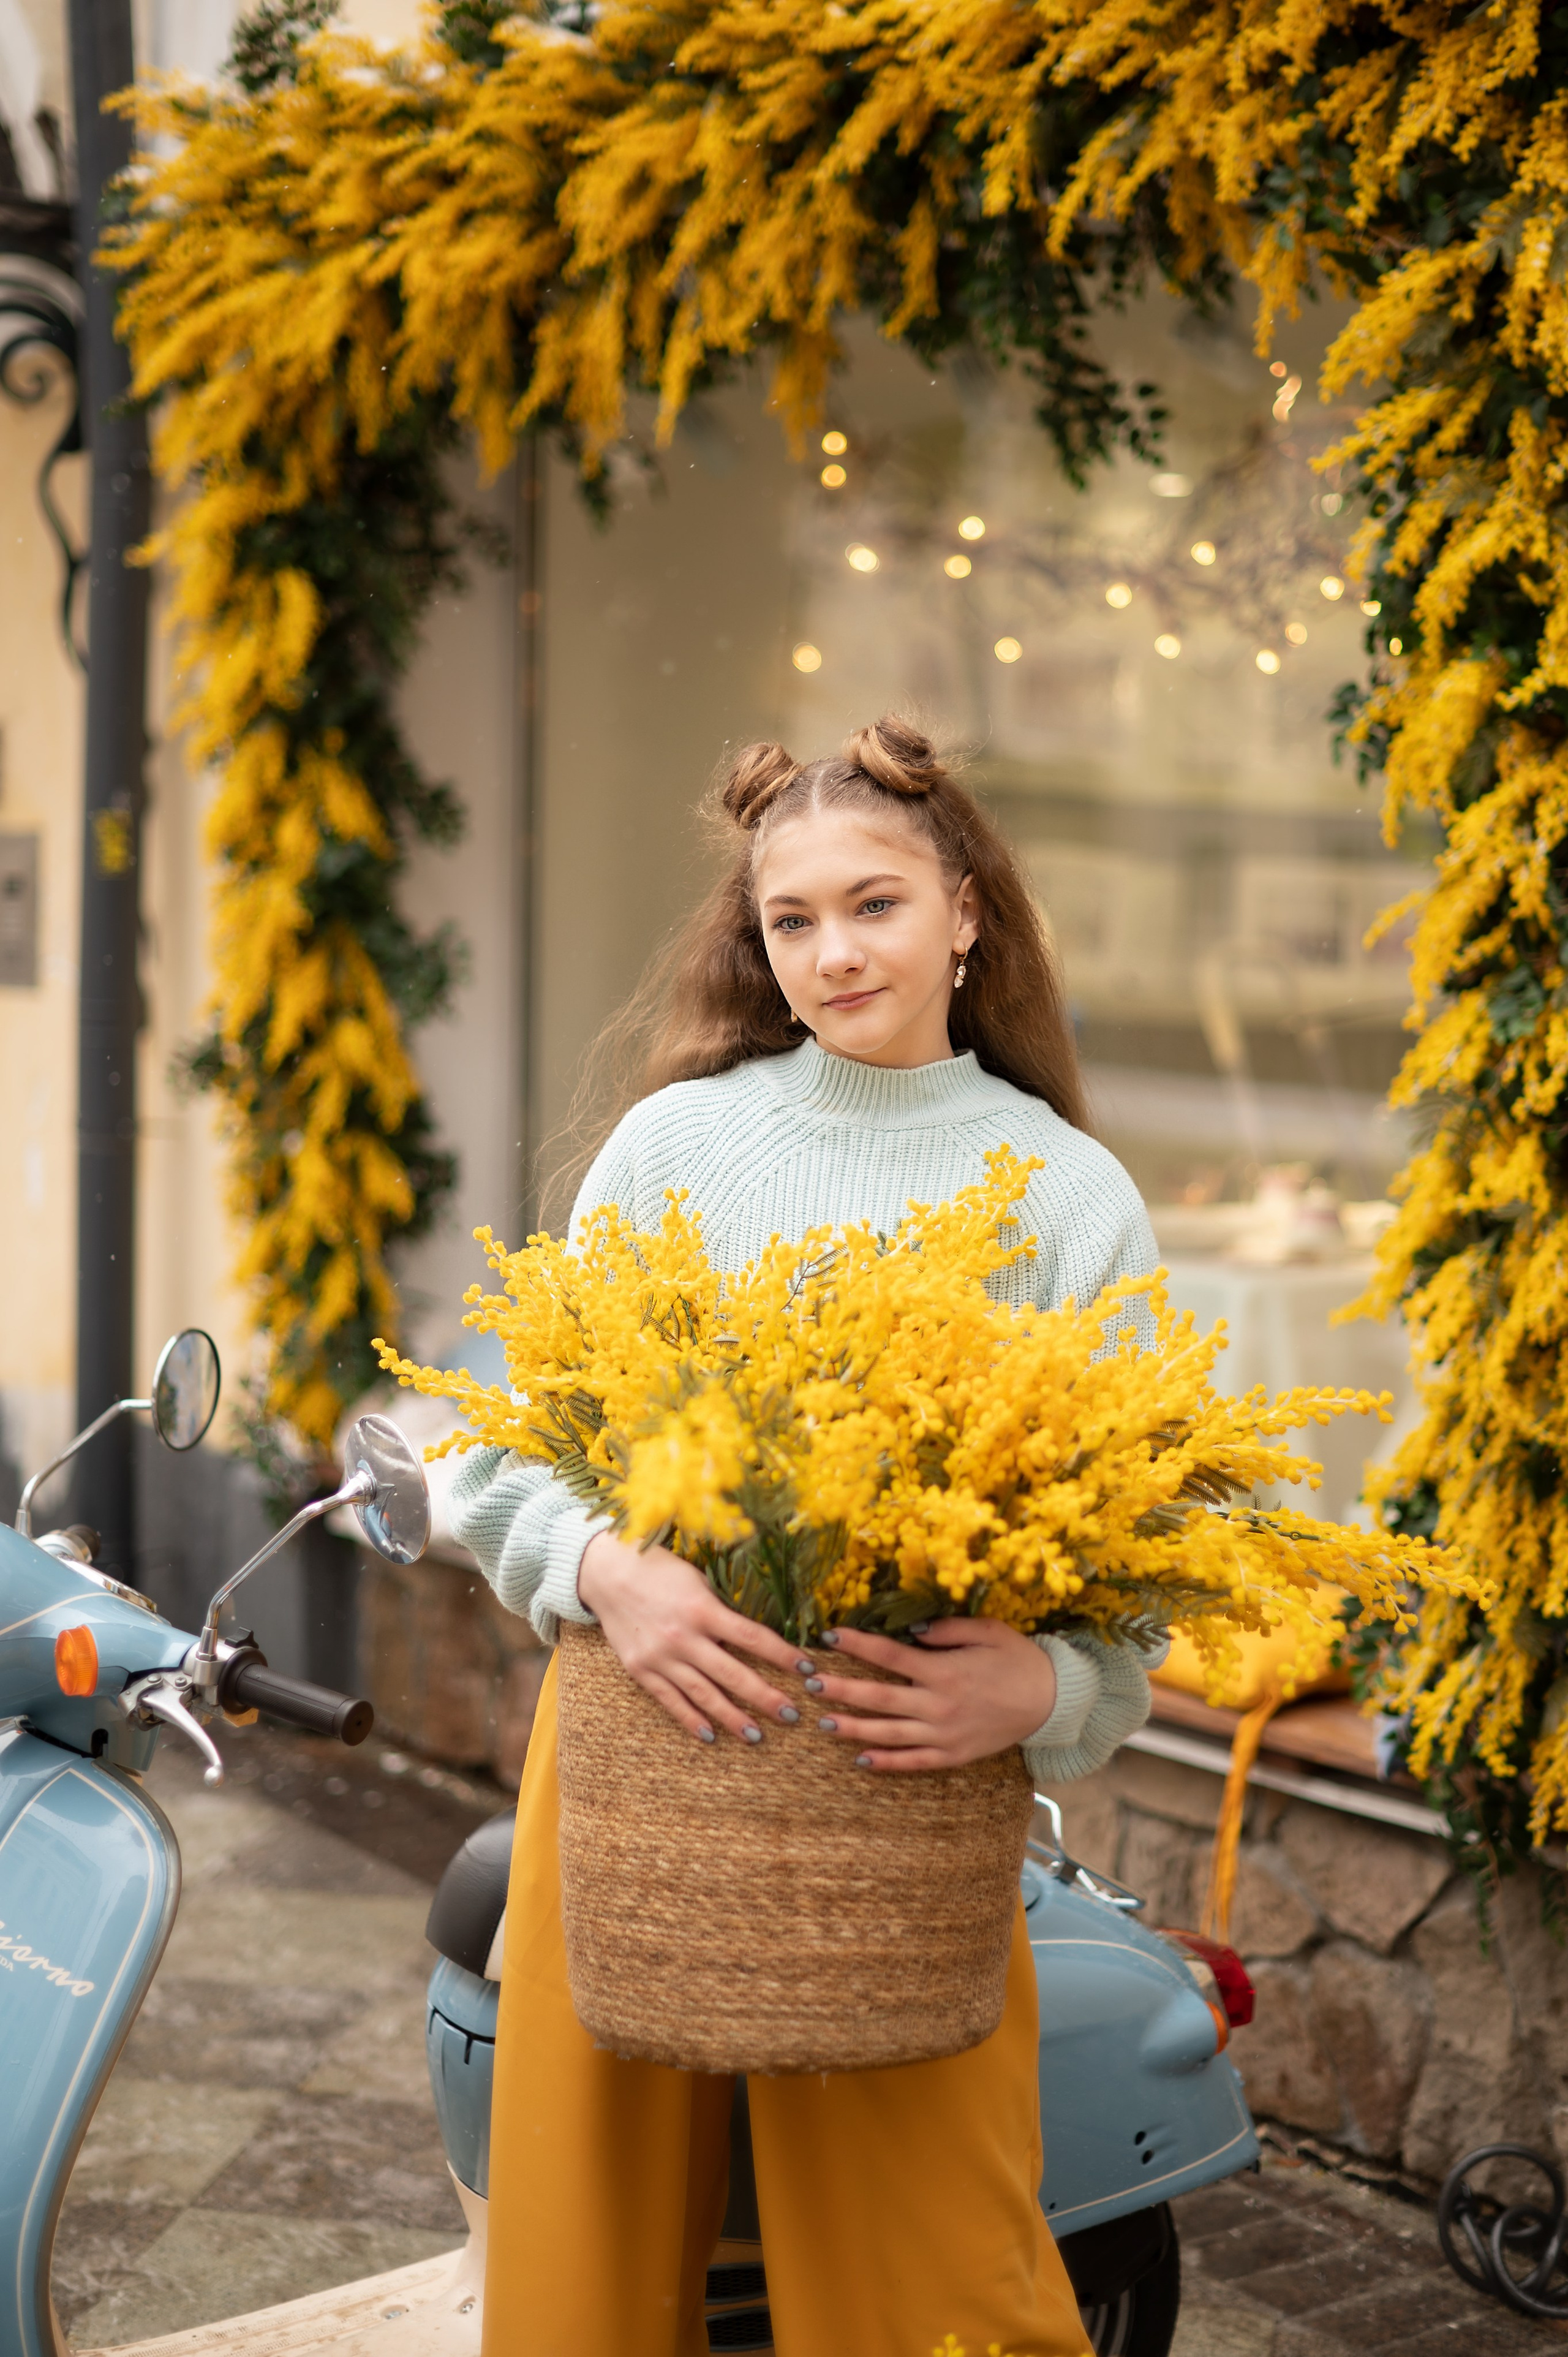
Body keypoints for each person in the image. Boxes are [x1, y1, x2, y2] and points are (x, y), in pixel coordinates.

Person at [452, 715, 1163, 2357]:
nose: (834, 953)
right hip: (634, 1763)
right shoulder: (678, 1148)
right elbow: (497, 1447)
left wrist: (1048, 1692)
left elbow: (1137, 1575)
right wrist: (607, 1572)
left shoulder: (1068, 1199)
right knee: (582, 2265)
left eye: (876, 904)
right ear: (757, 943)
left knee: (933, 2280)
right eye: (793, 920)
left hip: (905, 1806)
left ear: (967, 912)